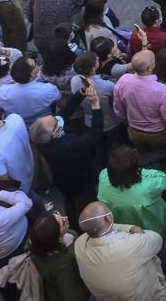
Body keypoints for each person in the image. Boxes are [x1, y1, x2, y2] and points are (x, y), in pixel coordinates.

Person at [33, 83, 106, 228]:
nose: (57, 118)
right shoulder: (66, 147)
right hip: (80, 181)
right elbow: (95, 134)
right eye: (55, 121)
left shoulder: (43, 137)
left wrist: (81, 92)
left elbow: (66, 111)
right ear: (54, 133)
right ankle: (83, 226)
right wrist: (95, 104)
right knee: (83, 204)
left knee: (69, 200)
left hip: (61, 179)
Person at [74, 200, 166, 301]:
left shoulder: (79, 244)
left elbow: (98, 228)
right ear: (108, 218)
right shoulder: (131, 245)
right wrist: (136, 232)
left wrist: (129, 228)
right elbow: (157, 240)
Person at [113, 49, 166, 154]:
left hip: (134, 131)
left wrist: (127, 121)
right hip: (158, 135)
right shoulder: (161, 90)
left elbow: (118, 108)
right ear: (149, 68)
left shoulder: (123, 80)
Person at [97, 144, 166, 235]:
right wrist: (140, 172)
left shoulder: (103, 175)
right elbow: (164, 178)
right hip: (153, 230)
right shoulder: (146, 188)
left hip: (123, 230)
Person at [28, 212, 89, 301]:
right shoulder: (65, 264)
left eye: (58, 213)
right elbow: (71, 297)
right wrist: (88, 287)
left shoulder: (37, 244)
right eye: (63, 222)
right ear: (57, 236)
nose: (66, 217)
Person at [0, 56, 61, 126]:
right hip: (42, 126)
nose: (38, 65)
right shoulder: (48, 89)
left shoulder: (2, 92)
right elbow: (58, 97)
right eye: (36, 64)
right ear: (32, 74)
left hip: (17, 126)